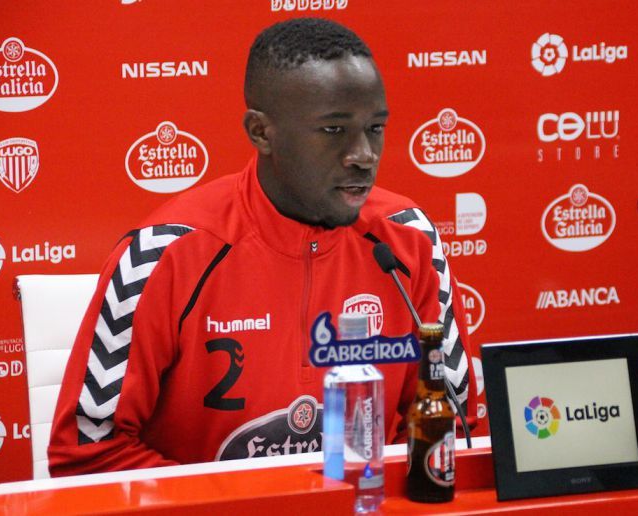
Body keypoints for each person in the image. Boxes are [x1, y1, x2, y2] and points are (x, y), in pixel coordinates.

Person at [49, 17, 476, 476]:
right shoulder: (166, 254)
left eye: (374, 127)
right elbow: (88, 454)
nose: (363, 154)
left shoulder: (407, 239)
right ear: (261, 132)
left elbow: (453, 431)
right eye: (334, 130)